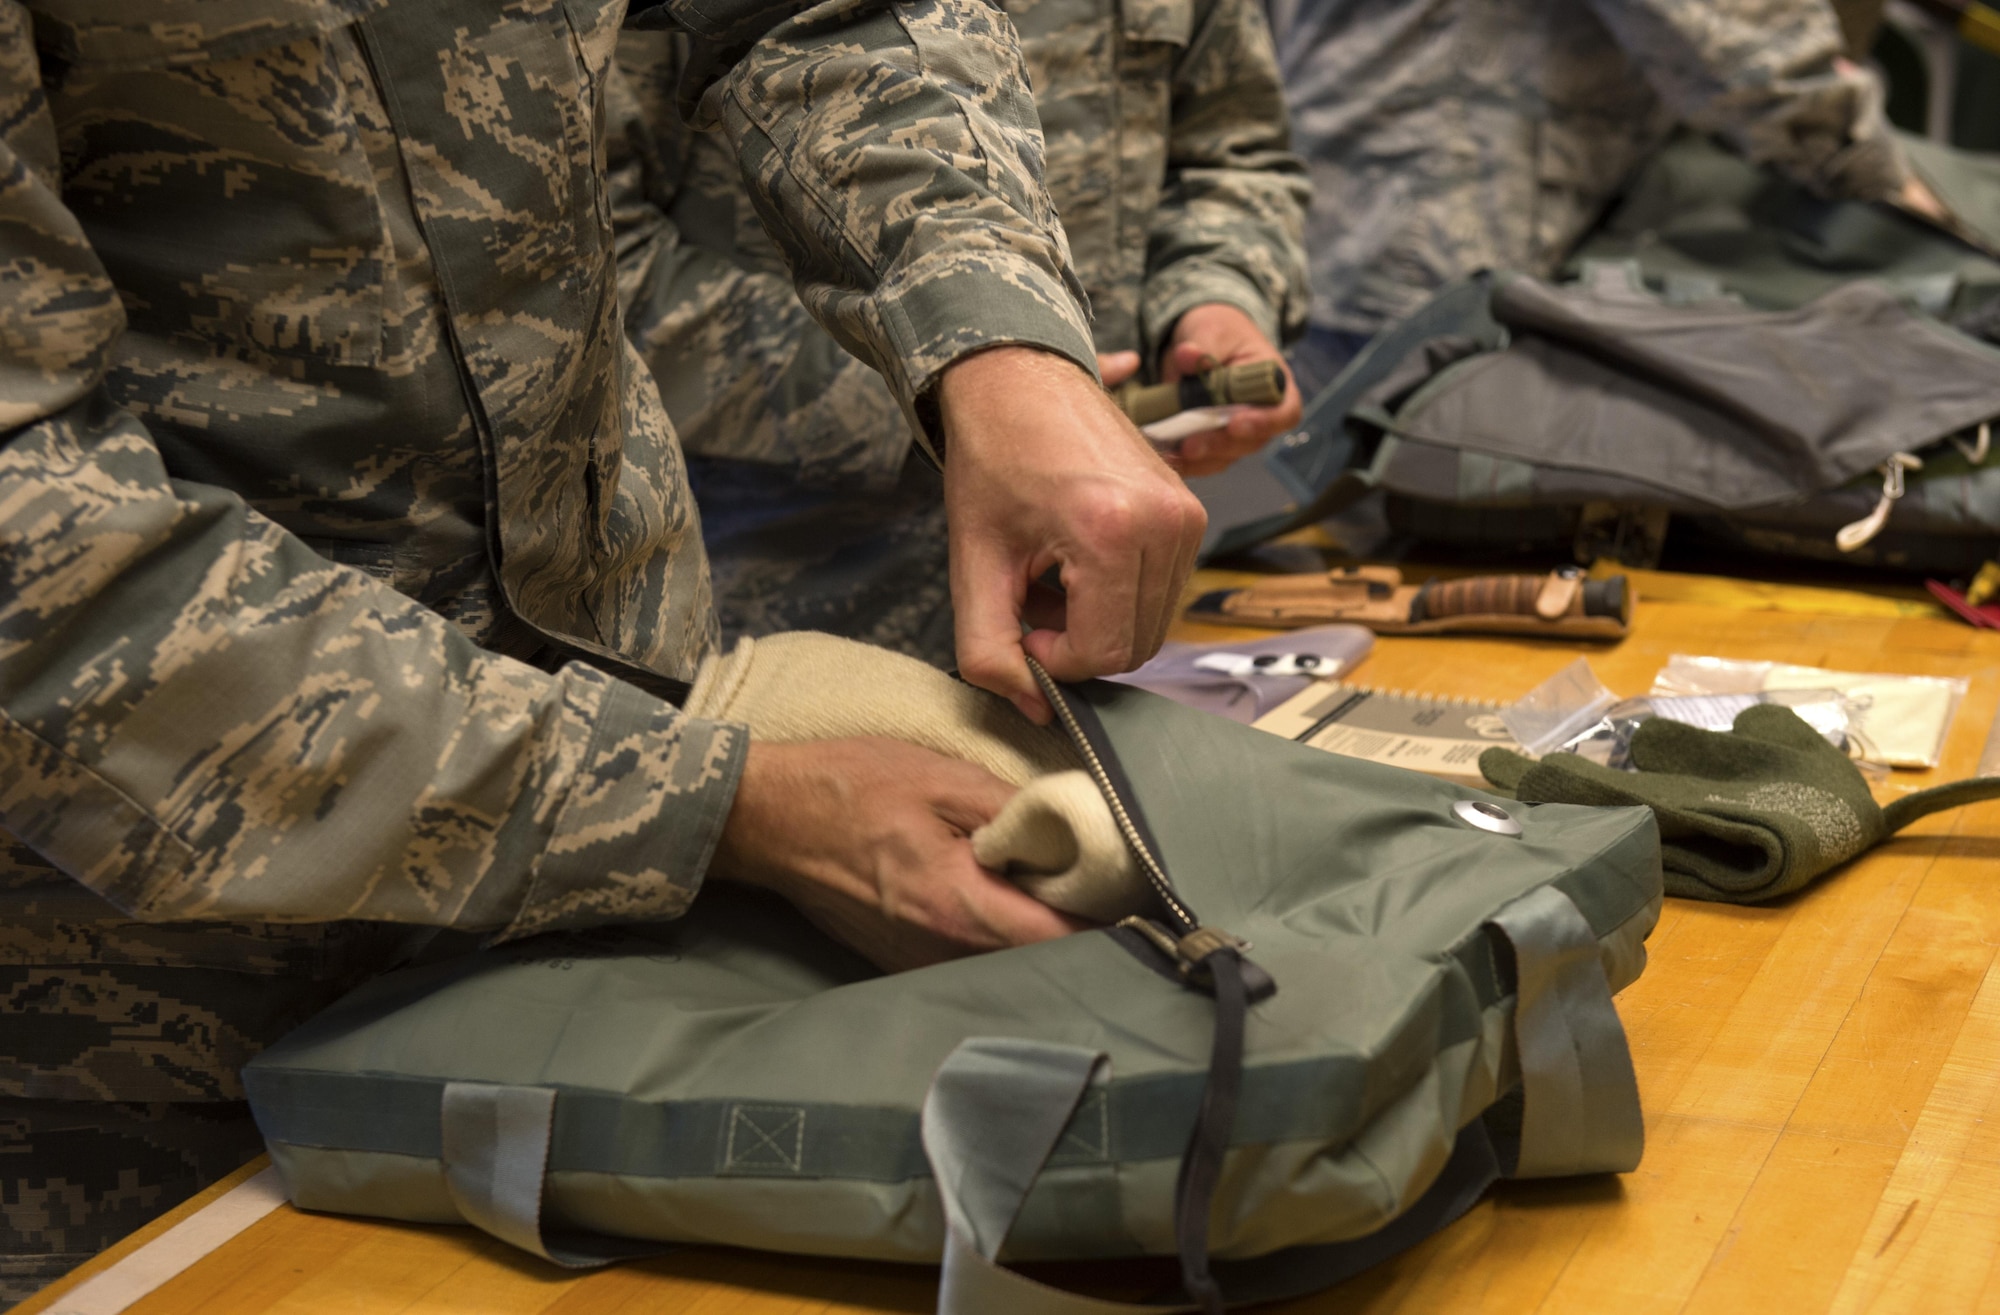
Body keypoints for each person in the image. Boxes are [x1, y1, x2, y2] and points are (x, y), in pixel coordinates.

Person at [0, 0, 1204, 1301]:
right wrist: (715, 803)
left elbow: (824, 16)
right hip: (139, 997)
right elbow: (33, 550)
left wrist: (994, 336)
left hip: (644, 834)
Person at [614, 0, 1310, 665]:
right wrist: (963, 395)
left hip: (1102, 585)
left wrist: (1217, 298)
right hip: (788, 606)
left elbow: (1228, 155)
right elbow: (588, 271)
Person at [1268, 0, 1948, 394]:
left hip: (1345, 204)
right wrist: (1922, 200)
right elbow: (1745, 48)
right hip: (1448, 250)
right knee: (1414, 564)